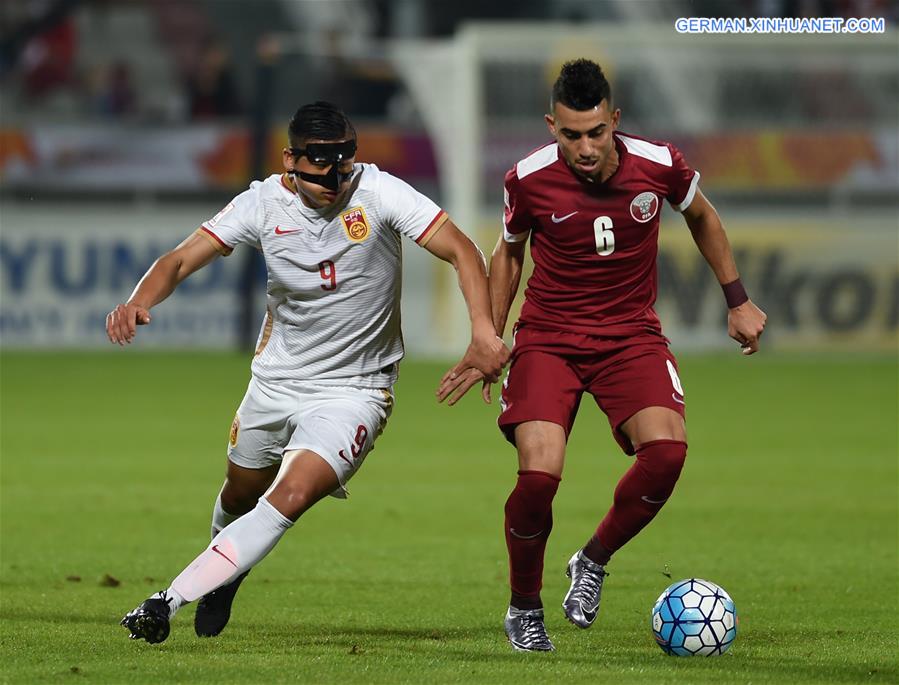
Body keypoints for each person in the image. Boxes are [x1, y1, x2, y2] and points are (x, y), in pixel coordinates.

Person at [108, 101, 509, 644]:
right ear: (289, 159)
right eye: (322, 170)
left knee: (291, 495)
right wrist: (137, 300)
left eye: (344, 167)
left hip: (356, 391)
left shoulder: (381, 193)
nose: (336, 182)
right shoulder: (260, 203)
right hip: (275, 383)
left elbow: (462, 250)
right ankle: (226, 572)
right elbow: (180, 259)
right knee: (239, 491)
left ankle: (169, 599)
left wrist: (483, 331)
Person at [437, 59, 767, 652]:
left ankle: (591, 560)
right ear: (551, 126)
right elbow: (509, 253)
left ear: (614, 120)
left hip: (629, 335)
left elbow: (702, 215)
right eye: (570, 135)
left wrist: (738, 300)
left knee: (666, 455)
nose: (585, 148)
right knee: (539, 477)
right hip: (549, 337)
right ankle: (524, 607)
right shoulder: (527, 178)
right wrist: (491, 333)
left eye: (595, 132)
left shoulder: (660, 163)